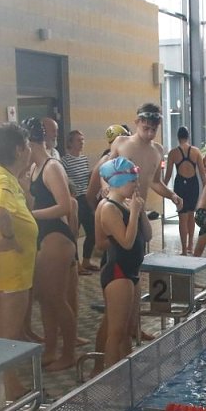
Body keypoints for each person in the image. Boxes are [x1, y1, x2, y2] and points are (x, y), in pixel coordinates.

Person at [0, 123, 38, 398]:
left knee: (4, 330)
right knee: (7, 334)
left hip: (6, 270)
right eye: (27, 146)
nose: (30, 151)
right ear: (19, 149)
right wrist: (11, 238)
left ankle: (5, 386)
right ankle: (10, 388)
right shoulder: (2, 181)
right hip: (9, 271)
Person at [24, 118, 78, 371]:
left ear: (29, 142)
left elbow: (65, 206)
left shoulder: (51, 167)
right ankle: (50, 348)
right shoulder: (35, 167)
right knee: (46, 298)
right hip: (44, 236)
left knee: (56, 298)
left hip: (57, 235)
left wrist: (31, 215)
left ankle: (69, 353)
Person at [96, 157, 148, 369]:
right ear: (118, 181)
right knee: (116, 332)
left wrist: (140, 212)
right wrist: (134, 213)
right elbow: (126, 243)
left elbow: (147, 235)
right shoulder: (109, 208)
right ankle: (110, 379)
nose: (137, 184)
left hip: (132, 271)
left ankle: (127, 374)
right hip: (118, 272)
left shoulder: (127, 204)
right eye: (133, 181)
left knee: (128, 329)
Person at [109, 104, 183, 220]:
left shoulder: (158, 150)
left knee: (145, 231)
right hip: (117, 208)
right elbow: (105, 171)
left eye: (154, 129)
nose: (150, 133)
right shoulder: (121, 143)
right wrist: (105, 187)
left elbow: (155, 182)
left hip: (139, 209)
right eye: (146, 128)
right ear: (137, 122)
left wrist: (172, 195)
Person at [164, 126, 206, 255]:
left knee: (182, 218)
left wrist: (163, 188)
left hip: (180, 185)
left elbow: (168, 175)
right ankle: (190, 246)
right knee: (191, 215)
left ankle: (183, 250)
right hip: (193, 185)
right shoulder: (196, 151)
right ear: (188, 136)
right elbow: (202, 173)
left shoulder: (173, 153)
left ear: (178, 137)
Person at [62, 129, 97, 272]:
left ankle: (86, 261)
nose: (82, 142)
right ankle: (76, 264)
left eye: (83, 140)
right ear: (70, 143)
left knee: (93, 231)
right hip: (75, 199)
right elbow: (64, 181)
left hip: (86, 198)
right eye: (78, 140)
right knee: (74, 233)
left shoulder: (84, 159)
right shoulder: (65, 161)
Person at [85, 124, 130, 214]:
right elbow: (90, 196)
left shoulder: (128, 160)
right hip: (111, 212)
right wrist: (98, 214)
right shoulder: (105, 161)